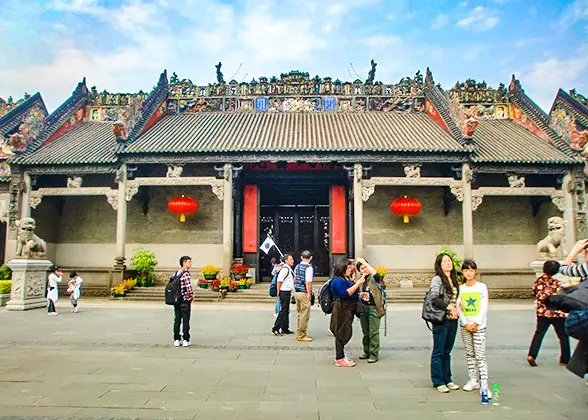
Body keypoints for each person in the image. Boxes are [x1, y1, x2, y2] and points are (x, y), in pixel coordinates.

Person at [456, 259, 491, 398]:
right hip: (465, 326)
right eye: (466, 270)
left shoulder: (482, 287)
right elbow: (459, 307)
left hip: (479, 326)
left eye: (471, 270)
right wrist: (465, 323)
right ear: (462, 272)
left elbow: (484, 307)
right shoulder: (461, 288)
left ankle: (484, 384)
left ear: (475, 271)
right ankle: (472, 379)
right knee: (469, 354)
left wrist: (476, 323)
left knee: (480, 355)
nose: (468, 273)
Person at [527, 260, 570, 367]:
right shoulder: (558, 282)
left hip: (543, 313)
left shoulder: (539, 281)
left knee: (539, 334)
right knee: (563, 336)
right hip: (557, 313)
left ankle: (532, 355)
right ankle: (565, 359)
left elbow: (533, 292)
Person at [429, 253, 460, 393]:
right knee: (438, 351)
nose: (449, 263)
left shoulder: (454, 279)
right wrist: (449, 307)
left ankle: (448, 378)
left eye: (450, 261)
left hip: (453, 320)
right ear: (439, 264)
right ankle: (438, 381)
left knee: (447, 351)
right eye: (445, 261)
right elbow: (434, 298)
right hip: (441, 319)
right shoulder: (437, 279)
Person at [330, 257, 365, 367]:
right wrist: (358, 283)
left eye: (351, 267)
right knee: (341, 332)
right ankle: (339, 358)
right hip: (341, 309)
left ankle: (341, 355)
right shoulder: (337, 280)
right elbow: (345, 293)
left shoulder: (346, 279)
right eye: (348, 267)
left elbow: (352, 292)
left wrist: (359, 294)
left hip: (347, 308)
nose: (351, 269)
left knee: (345, 331)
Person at [356, 257, 385, 363]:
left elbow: (377, 275)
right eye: (362, 268)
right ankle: (366, 351)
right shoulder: (360, 280)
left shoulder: (374, 278)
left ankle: (374, 354)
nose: (365, 270)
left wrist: (365, 263)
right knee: (366, 332)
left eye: (366, 268)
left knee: (374, 332)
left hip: (374, 308)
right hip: (363, 307)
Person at [173, 256, 194, 348]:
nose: (190, 263)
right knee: (186, 320)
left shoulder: (176, 273)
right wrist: (191, 296)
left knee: (177, 320)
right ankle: (186, 339)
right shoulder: (185, 274)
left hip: (176, 300)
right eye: (189, 262)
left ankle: (176, 339)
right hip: (185, 300)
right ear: (184, 263)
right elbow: (188, 288)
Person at [272, 254, 294, 336]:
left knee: (286, 310)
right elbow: (279, 280)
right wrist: (278, 291)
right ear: (286, 261)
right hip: (284, 292)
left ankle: (285, 328)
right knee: (283, 311)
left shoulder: (288, 268)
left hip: (287, 291)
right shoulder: (285, 269)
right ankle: (276, 327)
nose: (292, 261)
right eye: (290, 259)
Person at [294, 250, 314, 342]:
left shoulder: (297, 267)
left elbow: (294, 279)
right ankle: (302, 335)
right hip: (303, 292)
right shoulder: (308, 268)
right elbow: (308, 282)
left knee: (300, 313)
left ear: (301, 257)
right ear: (311, 258)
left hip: (296, 292)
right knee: (304, 315)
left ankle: (299, 332)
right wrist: (309, 293)